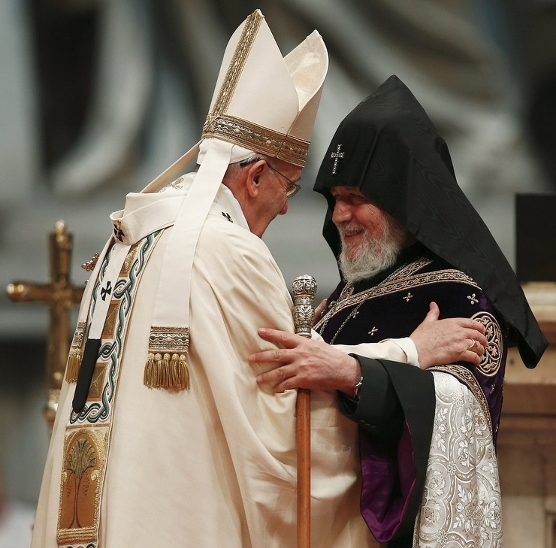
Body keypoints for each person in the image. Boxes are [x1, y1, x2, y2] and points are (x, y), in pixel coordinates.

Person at [30, 14, 486, 547]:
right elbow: (290, 424)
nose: (289, 207)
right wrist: (411, 353)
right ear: (253, 177)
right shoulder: (230, 252)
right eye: (289, 185)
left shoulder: (128, 234)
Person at [252, 75, 548, 547]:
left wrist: (352, 373)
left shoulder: (462, 298)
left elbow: (457, 415)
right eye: (334, 199)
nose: (338, 216)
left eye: (356, 198)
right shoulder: (344, 298)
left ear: (405, 203)